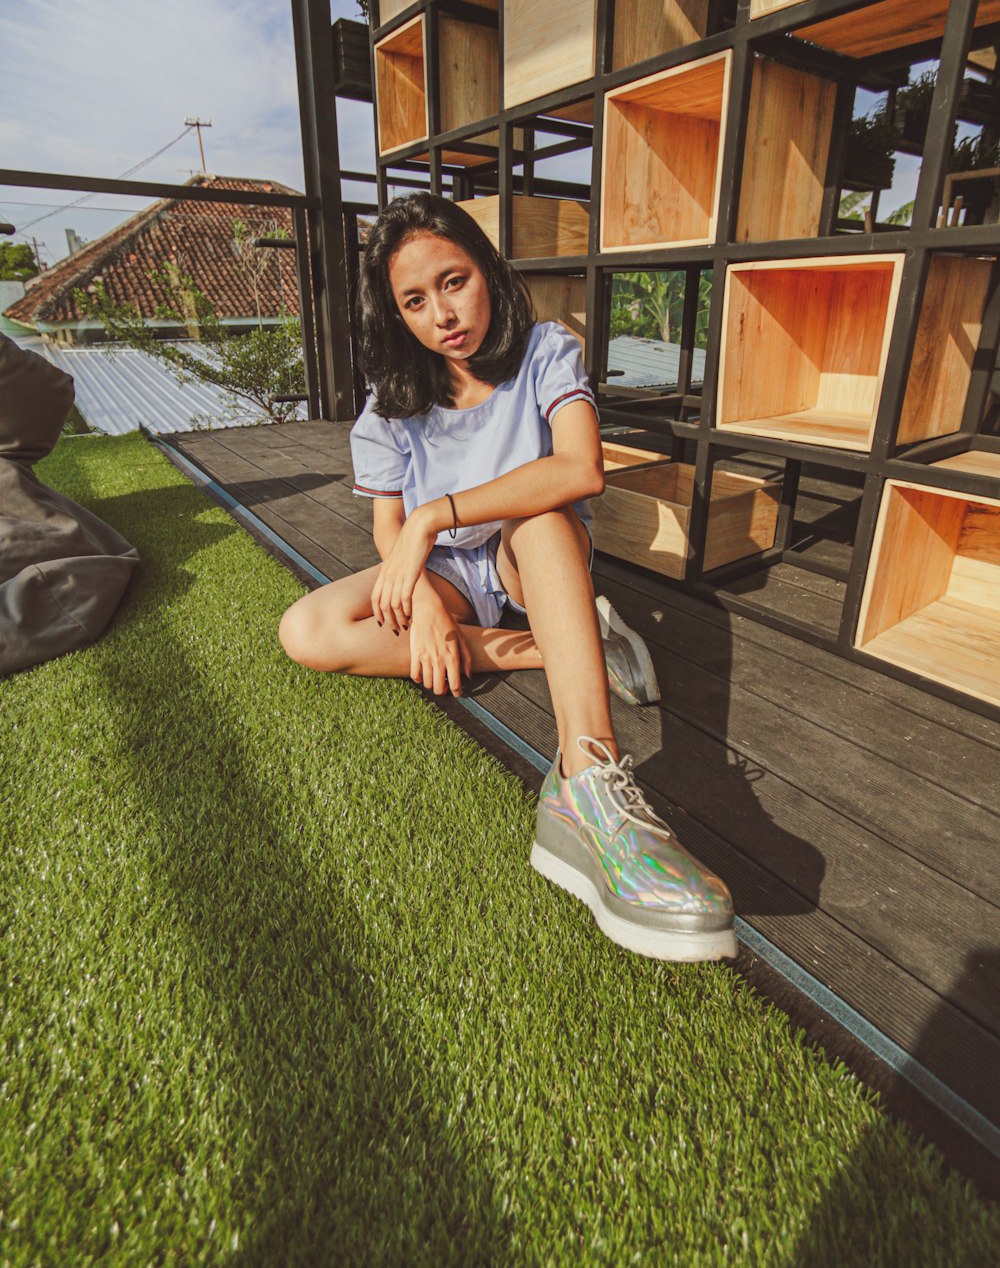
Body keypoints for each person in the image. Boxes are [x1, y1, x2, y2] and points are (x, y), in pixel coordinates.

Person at [279, 192, 735, 962]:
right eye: (415, 301)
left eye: (453, 281)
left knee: (543, 515)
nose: (443, 315)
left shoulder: (546, 350)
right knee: (308, 629)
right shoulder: (393, 398)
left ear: (486, 269)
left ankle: (586, 782)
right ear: (397, 314)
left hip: (530, 557)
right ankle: (550, 648)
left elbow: (579, 469)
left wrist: (435, 517)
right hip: (451, 572)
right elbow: (389, 527)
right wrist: (424, 605)